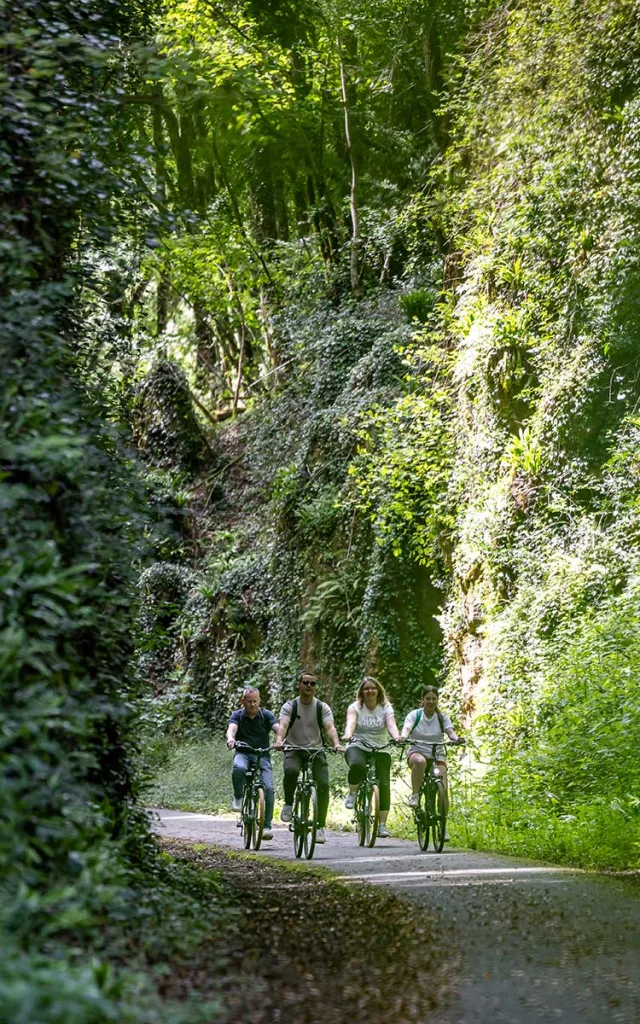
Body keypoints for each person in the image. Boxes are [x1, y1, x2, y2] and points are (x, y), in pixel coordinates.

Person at [275, 672, 344, 844]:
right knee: (291, 771)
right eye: (305, 682)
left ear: (316, 687)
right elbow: (283, 725)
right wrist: (279, 740)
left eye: (312, 684)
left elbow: (329, 728)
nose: (308, 686)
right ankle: (289, 803)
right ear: (299, 685)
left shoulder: (322, 707)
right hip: (294, 748)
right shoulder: (290, 706)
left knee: (324, 784)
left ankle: (320, 826)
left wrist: (336, 743)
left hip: (315, 750)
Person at [399, 685, 462, 841]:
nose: (431, 702)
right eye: (428, 698)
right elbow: (406, 729)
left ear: (437, 700)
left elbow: (450, 732)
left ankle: (443, 826)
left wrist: (456, 739)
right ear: (422, 700)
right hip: (417, 752)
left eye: (434, 699)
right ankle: (415, 795)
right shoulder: (415, 715)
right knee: (420, 762)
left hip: (436, 755)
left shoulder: (442, 718)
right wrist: (403, 737)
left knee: (443, 788)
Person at [342, 676, 401, 838]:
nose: (370, 691)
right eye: (366, 688)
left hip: (380, 747)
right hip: (358, 745)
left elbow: (391, 724)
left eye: (373, 688)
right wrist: (348, 735)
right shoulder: (355, 707)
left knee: (384, 784)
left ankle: (382, 825)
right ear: (361, 692)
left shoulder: (385, 707)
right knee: (357, 766)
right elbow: (351, 723)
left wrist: (397, 737)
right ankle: (353, 793)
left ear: (378, 691)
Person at [226, 687, 279, 841]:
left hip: (262, 755)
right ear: (243, 701)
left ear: (259, 701)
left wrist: (280, 740)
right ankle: (238, 797)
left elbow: (277, 728)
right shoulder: (237, 715)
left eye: (255, 701)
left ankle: (267, 826)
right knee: (239, 767)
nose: (252, 704)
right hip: (243, 752)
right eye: (249, 701)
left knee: (268, 788)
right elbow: (231, 729)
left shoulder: (266, 715)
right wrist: (231, 739)